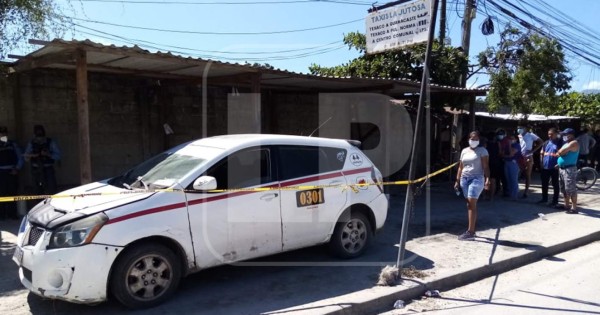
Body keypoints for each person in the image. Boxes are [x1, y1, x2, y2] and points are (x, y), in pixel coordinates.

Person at [454, 131, 490, 241]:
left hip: (477, 178)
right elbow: (461, 167)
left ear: (479, 140)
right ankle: (471, 228)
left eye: (476, 139)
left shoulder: (482, 151)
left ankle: (471, 231)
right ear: (468, 139)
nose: (473, 140)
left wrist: (487, 179)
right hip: (464, 179)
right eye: (472, 138)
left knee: (471, 203)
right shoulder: (464, 151)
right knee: (469, 204)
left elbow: (485, 166)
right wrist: (457, 180)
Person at [24, 125, 61, 195]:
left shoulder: (51, 142)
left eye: (41, 137)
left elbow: (58, 156)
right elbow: (26, 157)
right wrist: (32, 155)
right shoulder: (31, 143)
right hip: (36, 169)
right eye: (38, 137)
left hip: (48, 169)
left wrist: (48, 154)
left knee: (51, 190)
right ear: (34, 135)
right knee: (37, 191)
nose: (40, 139)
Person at [0, 126, 24, 220]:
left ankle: (12, 214)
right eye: (1, 133)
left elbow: (20, 157)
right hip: (1, 172)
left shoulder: (13, 144)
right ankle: (1, 215)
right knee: (1, 194)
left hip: (12, 172)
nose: (2, 135)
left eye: (4, 133)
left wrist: (17, 168)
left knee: (12, 193)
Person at [556, 128, 580, 214]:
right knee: (563, 188)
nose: (564, 136)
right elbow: (559, 153)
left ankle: (574, 208)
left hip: (570, 169)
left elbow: (561, 152)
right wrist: (560, 155)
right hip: (562, 168)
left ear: (571, 135)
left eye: (566, 134)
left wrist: (560, 152)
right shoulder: (566, 143)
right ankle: (566, 205)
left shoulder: (574, 143)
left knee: (571, 188)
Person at [538, 128, 562, 207]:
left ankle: (555, 201)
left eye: (551, 134)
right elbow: (542, 153)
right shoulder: (546, 143)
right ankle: (544, 198)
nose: (550, 136)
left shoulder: (559, 143)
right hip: (545, 167)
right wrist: (541, 162)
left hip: (554, 167)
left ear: (556, 134)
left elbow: (563, 154)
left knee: (555, 184)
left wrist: (559, 164)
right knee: (544, 183)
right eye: (549, 134)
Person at [517, 125, 543, 198]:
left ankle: (526, 191)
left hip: (528, 156)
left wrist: (533, 150)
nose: (519, 129)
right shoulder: (519, 136)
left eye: (520, 128)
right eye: (518, 128)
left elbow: (541, 142)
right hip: (520, 156)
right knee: (519, 172)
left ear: (525, 128)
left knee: (527, 174)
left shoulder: (531, 135)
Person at [501, 133, 522, 201]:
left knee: (513, 179)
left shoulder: (517, 145)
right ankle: (510, 193)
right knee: (508, 179)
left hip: (514, 163)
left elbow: (511, 154)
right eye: (510, 138)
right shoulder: (508, 145)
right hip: (507, 162)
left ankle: (514, 196)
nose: (511, 140)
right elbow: (502, 154)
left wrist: (509, 145)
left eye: (512, 138)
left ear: (516, 139)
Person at [485, 130, 503, 201]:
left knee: (486, 179)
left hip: (487, 162)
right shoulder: (498, 144)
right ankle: (491, 196)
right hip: (495, 162)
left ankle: (485, 195)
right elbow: (500, 153)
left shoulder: (486, 144)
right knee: (493, 180)